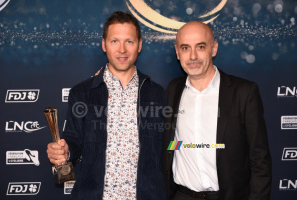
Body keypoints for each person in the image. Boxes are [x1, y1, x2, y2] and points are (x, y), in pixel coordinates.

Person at [47, 11, 165, 200]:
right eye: (114, 41)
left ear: (140, 45)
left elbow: (167, 150)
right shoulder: (82, 93)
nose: (122, 50)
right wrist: (64, 151)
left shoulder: (157, 93)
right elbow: (74, 141)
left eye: (129, 41)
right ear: (104, 45)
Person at [162, 21, 272, 200]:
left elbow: (260, 160)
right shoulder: (173, 89)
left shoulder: (244, 92)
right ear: (177, 52)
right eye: (185, 48)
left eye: (201, 47)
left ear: (214, 49)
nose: (193, 56)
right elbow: (171, 144)